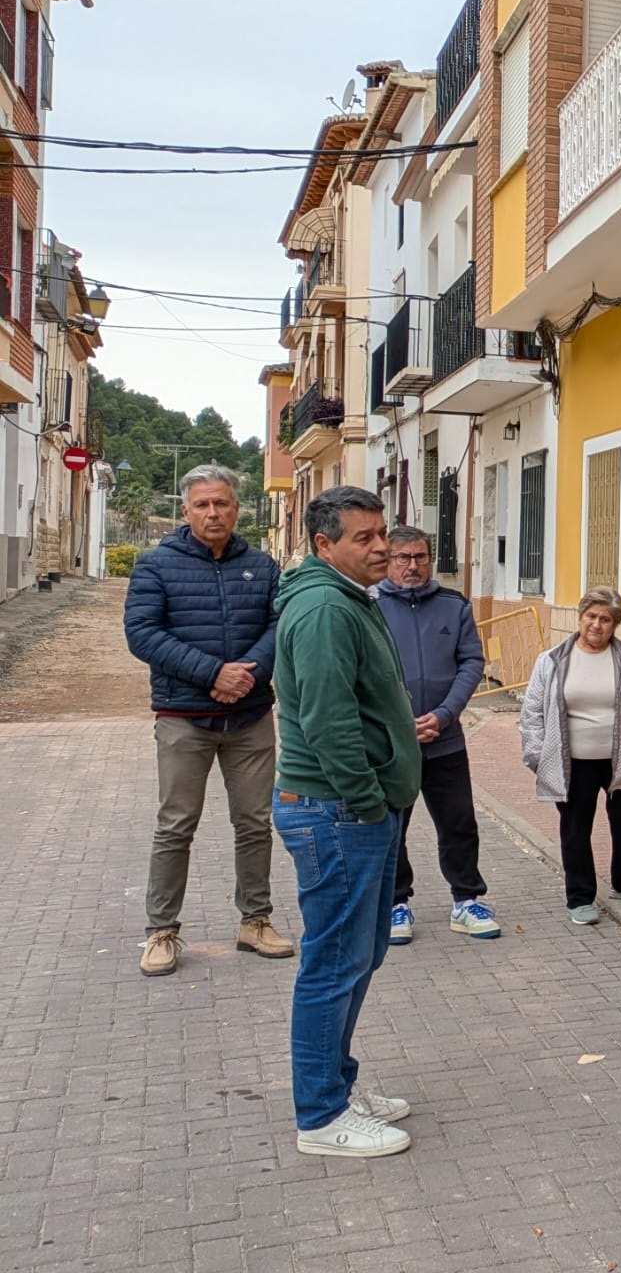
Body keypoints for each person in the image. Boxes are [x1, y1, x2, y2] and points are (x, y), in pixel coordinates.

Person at [272, 486, 422, 1157]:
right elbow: (327, 720)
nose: (382, 546)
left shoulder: (350, 598)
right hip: (336, 811)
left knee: (360, 955)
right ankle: (321, 1116)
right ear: (323, 545)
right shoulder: (325, 608)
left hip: (356, 809)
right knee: (334, 962)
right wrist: (365, 798)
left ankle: (334, 1083)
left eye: (382, 533)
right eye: (363, 538)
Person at [122, 464, 295, 977]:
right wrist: (214, 673)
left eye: (222, 503)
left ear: (237, 509)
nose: (213, 512)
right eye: (202, 504)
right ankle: (162, 931)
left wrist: (247, 676)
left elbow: (279, 624)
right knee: (175, 825)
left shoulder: (263, 567)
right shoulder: (156, 566)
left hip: (250, 717)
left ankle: (255, 920)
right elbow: (143, 634)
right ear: (186, 510)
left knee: (255, 823)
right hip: (184, 717)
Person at [376, 525, 496, 945]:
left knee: (459, 822)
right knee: (392, 827)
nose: (413, 565)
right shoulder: (367, 606)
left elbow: (471, 663)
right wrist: (397, 722)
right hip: (393, 744)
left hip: (445, 740)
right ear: (387, 560)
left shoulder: (453, 605)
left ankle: (467, 900)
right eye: (403, 557)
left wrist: (444, 715)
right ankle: (395, 904)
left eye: (421, 557)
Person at [519, 588, 621, 924]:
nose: (597, 625)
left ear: (615, 625)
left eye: (606, 619)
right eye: (591, 616)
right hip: (573, 761)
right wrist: (539, 756)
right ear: (580, 616)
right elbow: (531, 713)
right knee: (575, 829)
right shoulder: (552, 660)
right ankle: (580, 897)